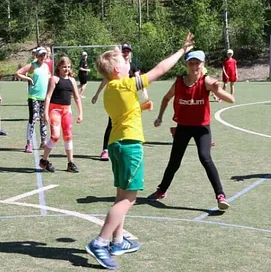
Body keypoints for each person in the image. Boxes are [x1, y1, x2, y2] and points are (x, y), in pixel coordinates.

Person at [84, 33, 194, 270]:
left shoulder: (111, 89)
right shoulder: (125, 84)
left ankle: (117, 240)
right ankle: (100, 242)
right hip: (130, 145)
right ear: (116, 70)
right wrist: (181, 51)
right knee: (129, 199)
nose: (128, 63)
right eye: (124, 62)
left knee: (121, 195)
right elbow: (160, 69)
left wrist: (142, 106)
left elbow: (124, 112)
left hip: (116, 144)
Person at [148, 50, 235, 210]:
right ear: (186, 64)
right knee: (174, 161)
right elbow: (166, 98)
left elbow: (231, 99)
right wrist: (159, 117)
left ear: (203, 65)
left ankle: (220, 195)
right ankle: (161, 190)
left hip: (202, 128)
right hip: (183, 127)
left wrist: (217, 90)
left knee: (205, 157)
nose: (194, 66)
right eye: (191, 63)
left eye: (198, 63)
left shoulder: (206, 82)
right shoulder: (179, 82)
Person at [92, 43, 150, 161]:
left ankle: (122, 143)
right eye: (124, 51)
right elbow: (105, 80)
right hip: (117, 98)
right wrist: (97, 94)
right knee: (111, 124)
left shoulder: (132, 67)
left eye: (128, 51)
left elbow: (139, 78)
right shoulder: (115, 66)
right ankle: (106, 149)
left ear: (130, 53)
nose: (126, 53)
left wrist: (144, 91)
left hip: (128, 99)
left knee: (128, 121)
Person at [41, 56, 83, 173]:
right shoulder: (54, 79)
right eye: (64, 66)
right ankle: (44, 160)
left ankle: (70, 163)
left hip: (67, 111)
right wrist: (45, 113)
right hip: (55, 110)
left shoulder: (72, 80)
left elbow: (76, 97)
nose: (66, 69)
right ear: (59, 67)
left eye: (68, 67)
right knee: (55, 136)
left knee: (68, 136)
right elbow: (48, 96)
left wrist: (80, 113)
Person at [16, 47, 50, 153]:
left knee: (44, 120)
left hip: (44, 97)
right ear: (37, 56)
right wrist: (28, 78)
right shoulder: (32, 65)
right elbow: (18, 73)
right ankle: (28, 143)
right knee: (33, 119)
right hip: (33, 97)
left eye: (44, 55)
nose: (42, 57)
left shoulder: (46, 67)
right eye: (40, 55)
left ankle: (43, 142)